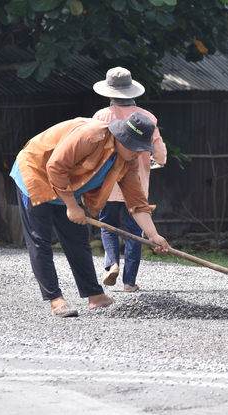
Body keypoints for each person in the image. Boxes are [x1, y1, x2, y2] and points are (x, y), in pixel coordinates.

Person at [10, 112, 170, 318]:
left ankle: (95, 296)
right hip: (37, 173)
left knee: (78, 240)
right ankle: (55, 300)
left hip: (67, 185)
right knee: (40, 241)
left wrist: (153, 235)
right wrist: (71, 205)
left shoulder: (127, 160)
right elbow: (55, 166)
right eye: (136, 147)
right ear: (122, 138)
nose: (139, 153)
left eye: (142, 149)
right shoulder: (90, 136)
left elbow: (137, 203)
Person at [92, 67, 167, 293]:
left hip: (108, 183)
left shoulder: (101, 116)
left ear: (109, 92)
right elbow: (161, 155)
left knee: (108, 226)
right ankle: (129, 283)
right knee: (136, 231)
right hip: (137, 183)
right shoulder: (147, 118)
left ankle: (112, 264)